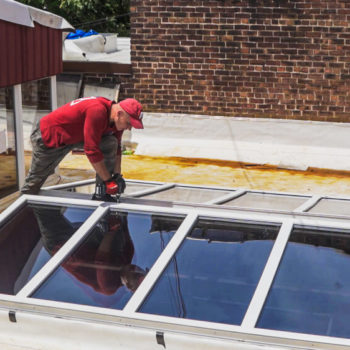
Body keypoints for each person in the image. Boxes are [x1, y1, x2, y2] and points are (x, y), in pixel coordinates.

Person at [20, 96, 143, 200]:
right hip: (50, 137)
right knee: (34, 183)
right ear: (119, 114)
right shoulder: (97, 111)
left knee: (111, 142)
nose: (129, 128)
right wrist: (108, 181)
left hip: (75, 136)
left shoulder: (116, 121)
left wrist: (117, 175)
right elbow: (91, 150)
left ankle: (102, 193)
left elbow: (116, 149)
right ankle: (22, 213)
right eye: (129, 123)